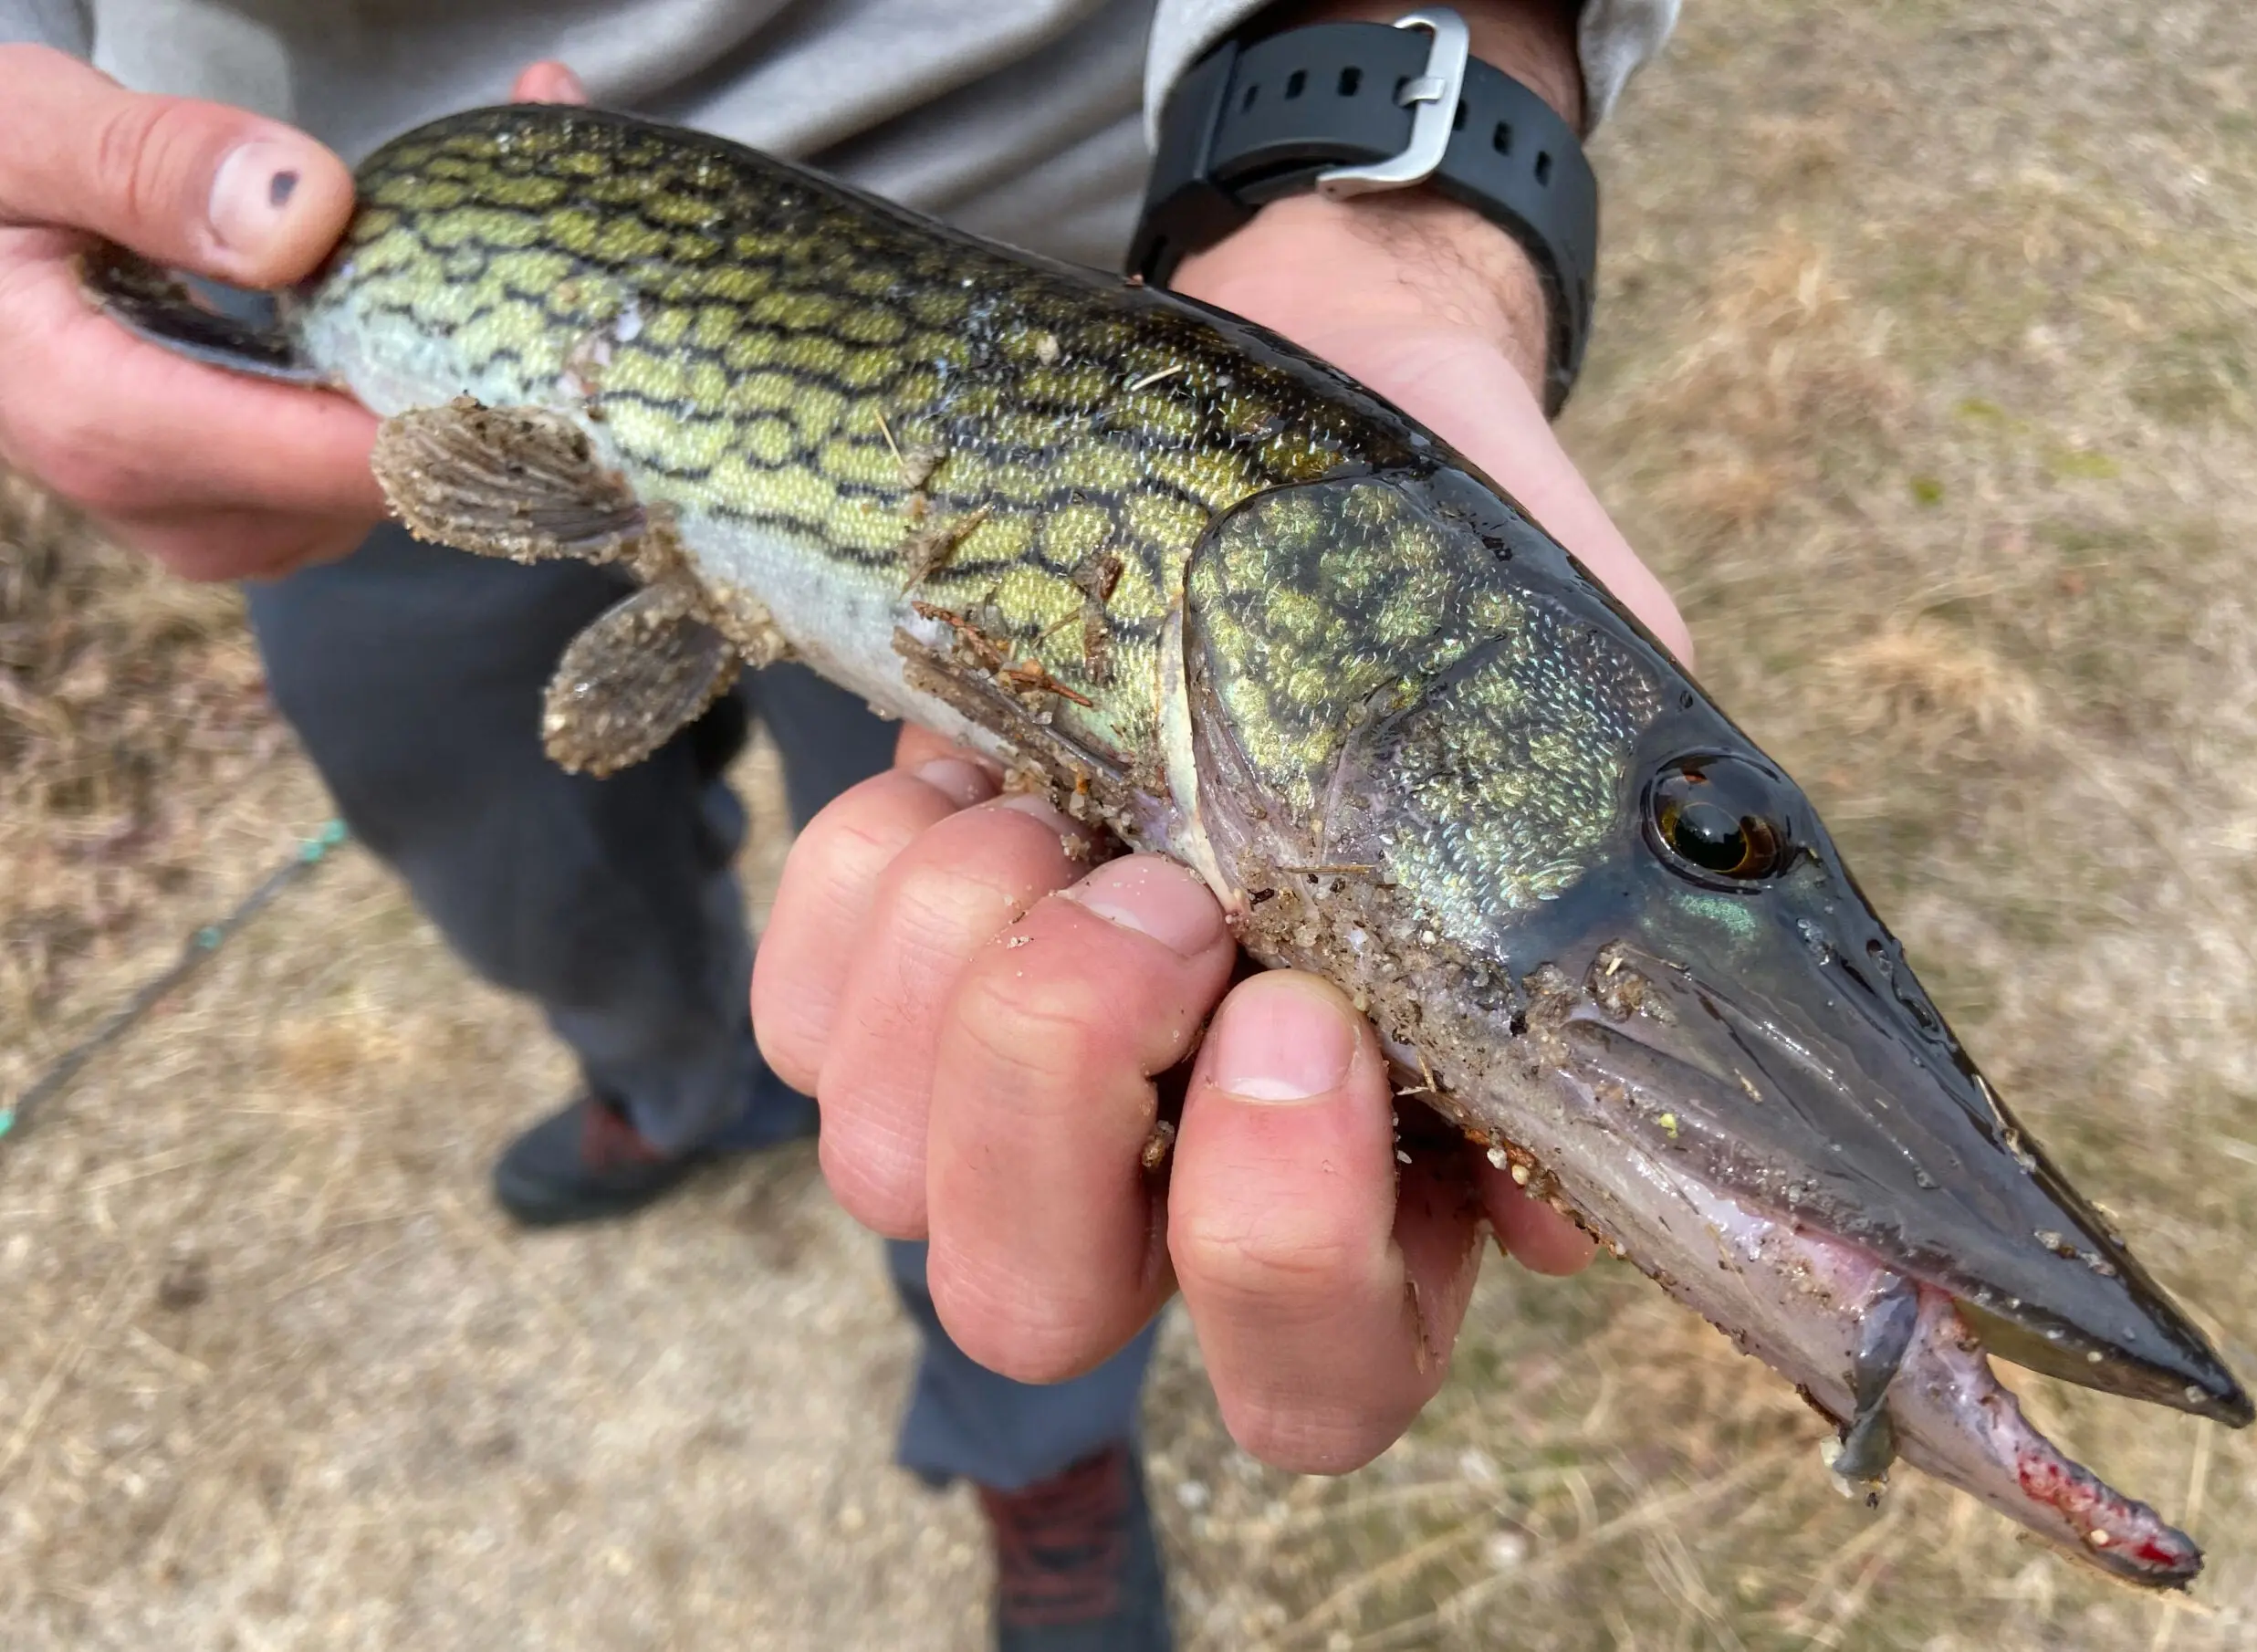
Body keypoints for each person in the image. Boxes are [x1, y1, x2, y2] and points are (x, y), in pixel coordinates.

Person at [0, 3, 1691, 1646]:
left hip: (1094, 318)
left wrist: (1388, 179)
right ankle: (667, 1082)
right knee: (525, 884)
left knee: (1061, 1056)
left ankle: (1039, 1449)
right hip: (358, 265)